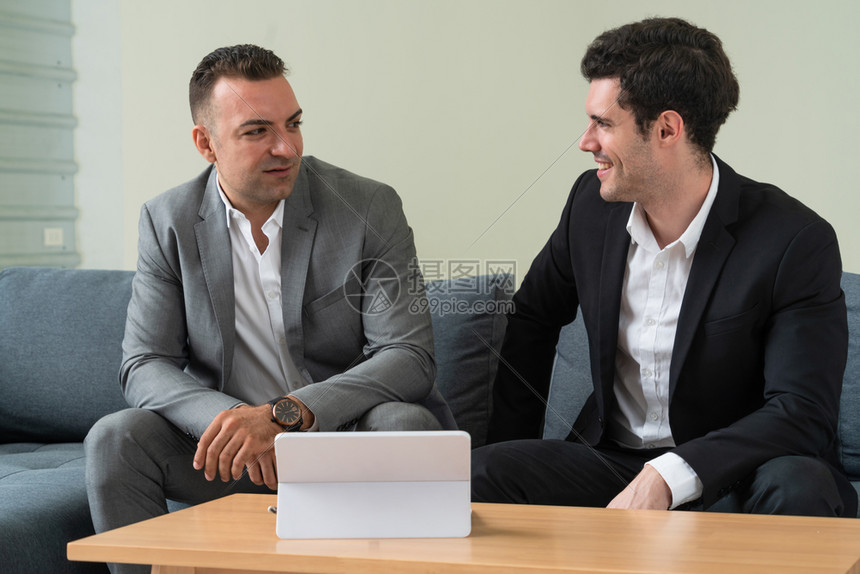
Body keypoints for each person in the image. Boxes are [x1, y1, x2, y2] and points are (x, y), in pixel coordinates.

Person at [85, 44, 453, 573]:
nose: (286, 147)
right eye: (257, 131)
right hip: (230, 456)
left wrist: (286, 417)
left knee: (405, 424)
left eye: (293, 124)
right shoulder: (167, 221)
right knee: (116, 439)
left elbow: (408, 355)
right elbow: (144, 363)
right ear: (206, 143)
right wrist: (237, 423)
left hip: (342, 439)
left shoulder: (367, 207)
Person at [472, 17, 856, 517]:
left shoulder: (794, 240)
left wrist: (671, 474)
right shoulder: (590, 207)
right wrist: (511, 445)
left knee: (799, 485)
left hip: (737, 473)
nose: (586, 142)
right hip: (612, 462)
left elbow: (801, 411)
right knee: (484, 473)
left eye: (604, 124)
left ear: (667, 129)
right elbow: (532, 318)